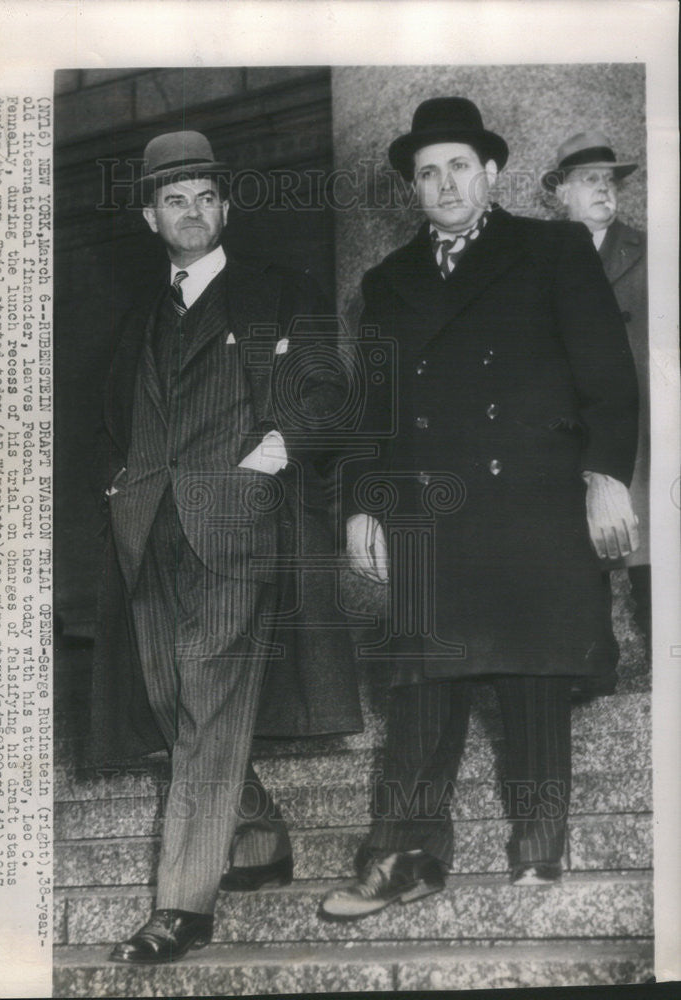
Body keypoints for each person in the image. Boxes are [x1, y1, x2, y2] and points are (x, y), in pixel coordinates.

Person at [321, 97, 639, 920]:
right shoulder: (386, 282)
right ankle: (402, 857)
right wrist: (361, 504)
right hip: (434, 506)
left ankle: (539, 843)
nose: (445, 182)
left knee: (535, 675)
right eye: (428, 172)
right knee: (422, 682)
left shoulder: (553, 248)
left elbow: (608, 377)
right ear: (412, 189)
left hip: (533, 495)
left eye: (460, 164)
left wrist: (606, 474)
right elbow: (376, 407)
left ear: (491, 173)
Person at [90, 130, 361, 962]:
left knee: (206, 700)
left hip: (239, 528)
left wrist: (262, 462)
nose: (194, 212)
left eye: (207, 196)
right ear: (151, 217)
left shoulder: (279, 290)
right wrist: (122, 488)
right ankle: (256, 841)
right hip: (149, 531)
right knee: (175, 703)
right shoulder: (137, 315)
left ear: (226, 206)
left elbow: (325, 393)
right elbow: (112, 415)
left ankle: (182, 905)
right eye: (176, 199)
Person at [541, 131, 650, 641]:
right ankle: (594, 667)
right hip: (576, 427)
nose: (604, 190)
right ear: (561, 193)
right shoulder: (540, 262)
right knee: (582, 552)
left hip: (648, 425)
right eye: (589, 180)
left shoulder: (651, 251)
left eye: (609, 181)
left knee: (653, 546)